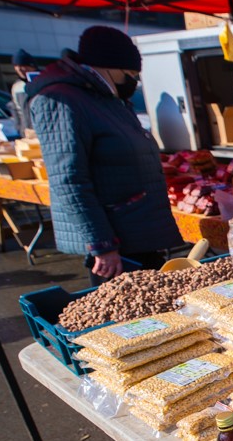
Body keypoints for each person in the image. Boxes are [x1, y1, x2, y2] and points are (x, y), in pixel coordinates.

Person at [27, 25, 181, 285]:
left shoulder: (105, 98)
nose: (133, 82)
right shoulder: (61, 101)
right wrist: (102, 244)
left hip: (138, 229)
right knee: (132, 316)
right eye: (130, 74)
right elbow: (69, 180)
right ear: (108, 67)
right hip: (116, 238)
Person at [10, 49, 38, 135]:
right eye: (16, 66)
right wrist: (19, 128)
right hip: (27, 132)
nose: (19, 69)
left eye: (22, 65)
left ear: (32, 66)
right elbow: (16, 109)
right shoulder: (17, 86)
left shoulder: (43, 80)